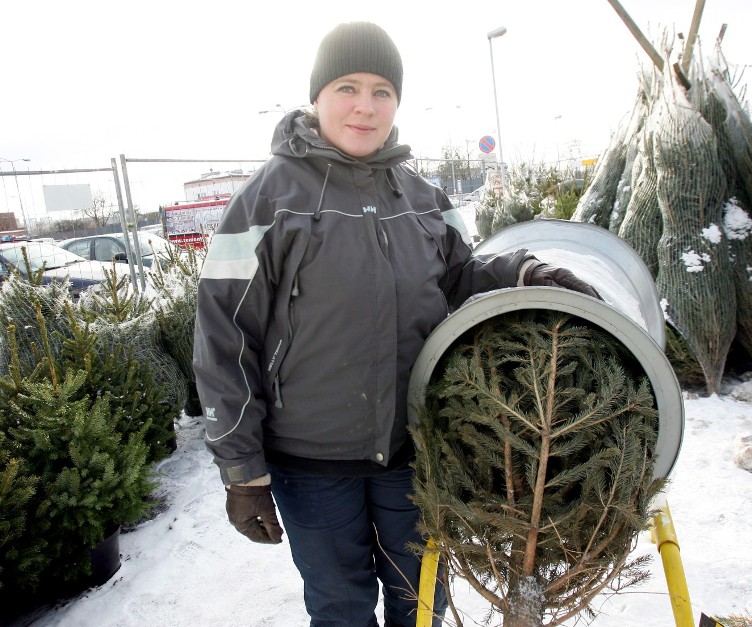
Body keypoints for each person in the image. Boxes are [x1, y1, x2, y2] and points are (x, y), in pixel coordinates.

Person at [192, 20, 600, 627]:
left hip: (416, 451)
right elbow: (224, 338)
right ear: (317, 97)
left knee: (421, 603)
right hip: (311, 463)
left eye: (382, 90)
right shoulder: (267, 201)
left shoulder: (425, 199)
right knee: (341, 607)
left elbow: (464, 275)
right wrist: (243, 470)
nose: (365, 106)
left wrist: (526, 270)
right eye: (347, 88)